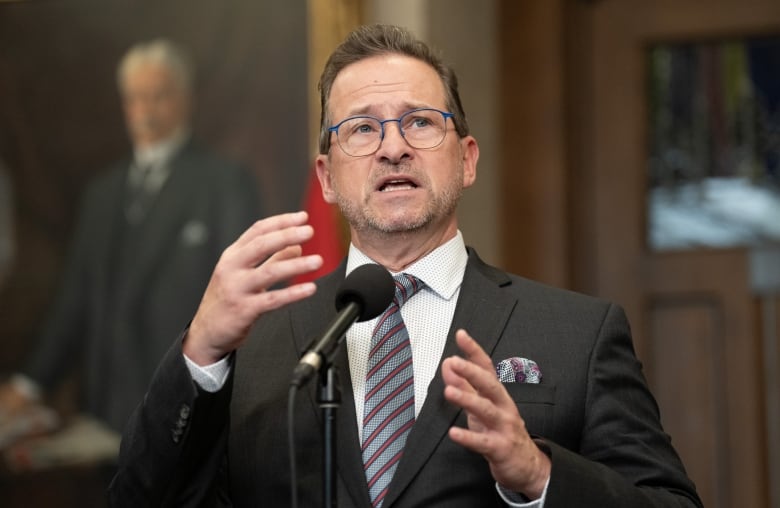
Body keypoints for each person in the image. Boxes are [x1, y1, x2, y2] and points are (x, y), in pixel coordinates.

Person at [108, 24, 702, 507]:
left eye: (419, 121)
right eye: (362, 128)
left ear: (466, 160)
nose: (393, 147)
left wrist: (539, 474)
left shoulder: (578, 334)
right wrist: (200, 355)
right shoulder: (254, 342)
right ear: (327, 179)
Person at [0, 39, 260, 437]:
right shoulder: (101, 195)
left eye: (159, 97)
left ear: (185, 99)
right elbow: (73, 302)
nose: (146, 111)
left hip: (188, 410)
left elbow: (244, 302)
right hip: (106, 412)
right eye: (136, 98)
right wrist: (29, 384)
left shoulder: (225, 184)